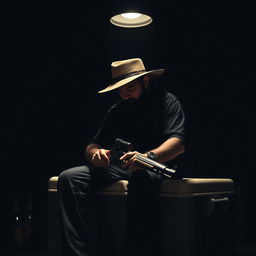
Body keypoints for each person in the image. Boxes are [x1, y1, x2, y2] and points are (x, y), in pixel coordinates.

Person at [57, 58, 186, 256]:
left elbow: (178, 144)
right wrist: (95, 155)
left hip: (155, 165)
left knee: (140, 178)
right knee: (69, 178)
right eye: (121, 89)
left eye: (131, 87)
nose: (125, 93)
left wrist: (147, 157)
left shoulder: (167, 101)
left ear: (146, 81)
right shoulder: (118, 110)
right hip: (121, 166)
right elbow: (92, 145)